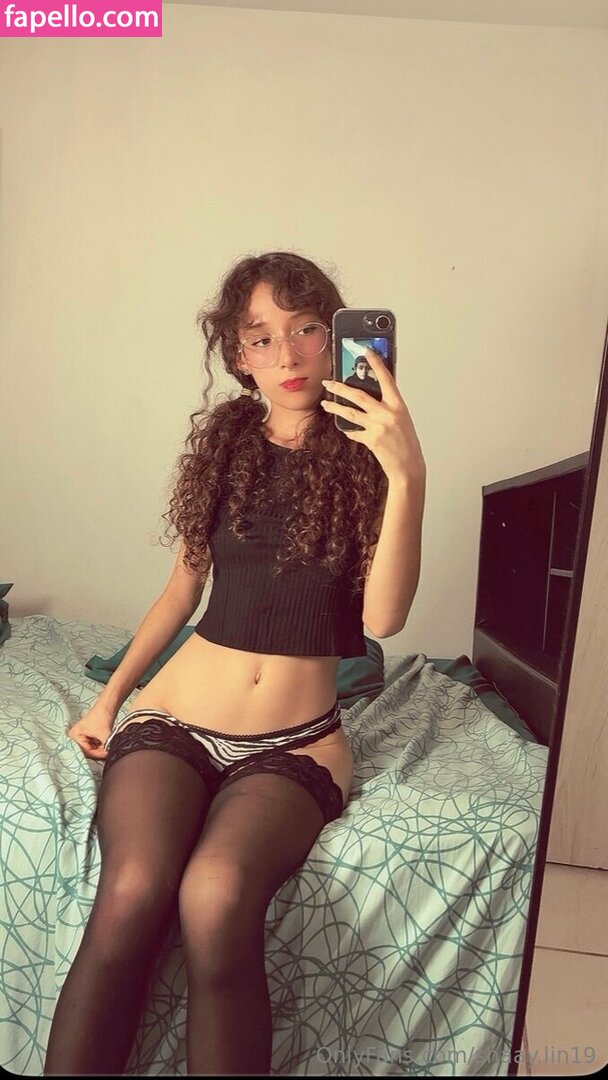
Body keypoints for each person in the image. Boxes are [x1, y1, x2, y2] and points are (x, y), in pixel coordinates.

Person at [44, 250, 426, 1076]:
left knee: (215, 897)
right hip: (175, 722)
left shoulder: (369, 454)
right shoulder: (226, 445)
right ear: (238, 354)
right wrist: (108, 701)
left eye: (307, 329)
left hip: (294, 745)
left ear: (336, 339)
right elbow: (182, 589)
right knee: (133, 890)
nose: (286, 354)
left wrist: (408, 472)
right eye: (261, 338)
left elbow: (384, 619)